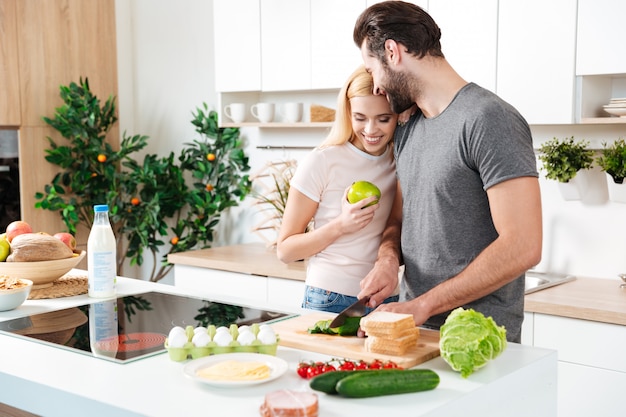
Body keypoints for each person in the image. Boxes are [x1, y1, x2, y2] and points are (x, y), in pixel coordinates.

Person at [353, 1, 543, 342]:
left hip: (478, 337)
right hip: (413, 330)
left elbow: (523, 245)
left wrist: (424, 305)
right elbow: (399, 218)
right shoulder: (409, 126)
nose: (377, 86)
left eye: (372, 69)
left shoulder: (488, 118)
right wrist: (387, 259)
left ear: (393, 52)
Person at [276, 65, 401, 313]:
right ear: (347, 113)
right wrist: (342, 224)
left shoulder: (399, 160)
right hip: (330, 297)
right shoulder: (322, 161)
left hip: (387, 299)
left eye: (383, 119)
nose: (371, 130)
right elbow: (286, 250)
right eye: (360, 118)